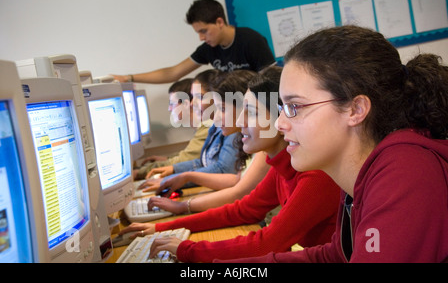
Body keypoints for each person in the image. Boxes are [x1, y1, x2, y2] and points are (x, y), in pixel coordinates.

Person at [219, 25, 448, 263]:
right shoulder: (358, 175)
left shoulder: (406, 174)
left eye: (294, 107)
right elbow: (336, 255)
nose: (280, 124)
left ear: (355, 109)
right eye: (282, 109)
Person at [119, 67, 340, 263]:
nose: (241, 121)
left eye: (251, 113)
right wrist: (162, 228)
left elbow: (267, 243)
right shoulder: (283, 165)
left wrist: (188, 250)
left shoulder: (315, 174)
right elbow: (242, 210)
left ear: (281, 118)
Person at [138, 70, 257, 193]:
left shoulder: (235, 132)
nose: (191, 103)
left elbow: (225, 171)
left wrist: (182, 182)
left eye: (199, 97)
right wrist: (175, 171)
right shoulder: (220, 127)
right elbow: (204, 162)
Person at [111, 0, 275, 84]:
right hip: (235, 109)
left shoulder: (250, 40)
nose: (201, 38)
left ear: (219, 22)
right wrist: (128, 78)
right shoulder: (209, 48)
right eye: (198, 32)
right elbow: (173, 73)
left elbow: (272, 79)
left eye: (204, 31)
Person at [134, 73, 215, 180]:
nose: (169, 109)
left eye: (172, 103)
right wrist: (167, 159)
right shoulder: (203, 127)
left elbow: (185, 160)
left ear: (186, 104)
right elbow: (187, 156)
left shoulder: (207, 127)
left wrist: (139, 173)